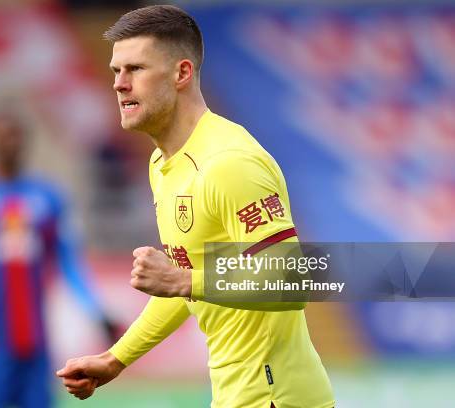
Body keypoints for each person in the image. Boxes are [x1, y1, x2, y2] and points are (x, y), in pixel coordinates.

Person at [56, 5, 335, 408]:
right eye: (117, 70)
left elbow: (290, 280)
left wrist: (183, 281)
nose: (119, 84)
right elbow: (184, 283)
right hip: (236, 396)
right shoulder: (163, 163)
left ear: (181, 73)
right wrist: (116, 359)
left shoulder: (230, 163)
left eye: (135, 68)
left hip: (276, 398)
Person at [0, 103, 118, 408]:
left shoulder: (49, 198)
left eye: (15, 135)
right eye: (2, 135)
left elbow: (70, 262)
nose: (10, 142)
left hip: (36, 343)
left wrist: (95, 310)